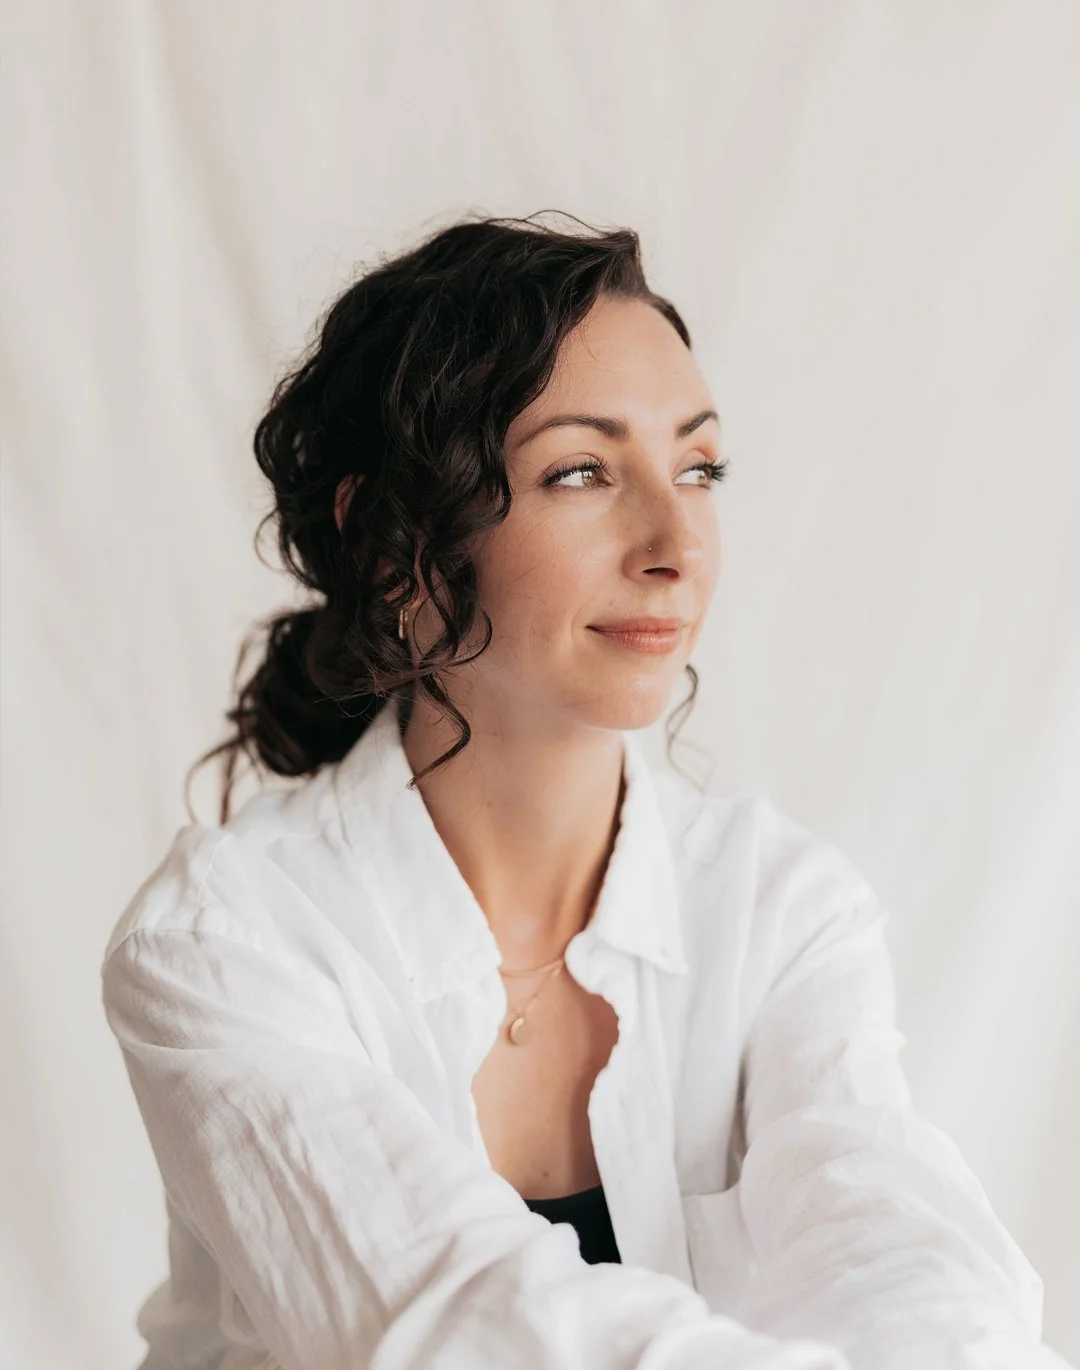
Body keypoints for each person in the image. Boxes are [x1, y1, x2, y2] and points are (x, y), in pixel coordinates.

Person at [101, 212, 1068, 1370]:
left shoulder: (778, 907)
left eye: (697, 467)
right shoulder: (227, 943)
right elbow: (447, 1318)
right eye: (582, 471)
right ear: (388, 538)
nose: (678, 543)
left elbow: (899, 1238)